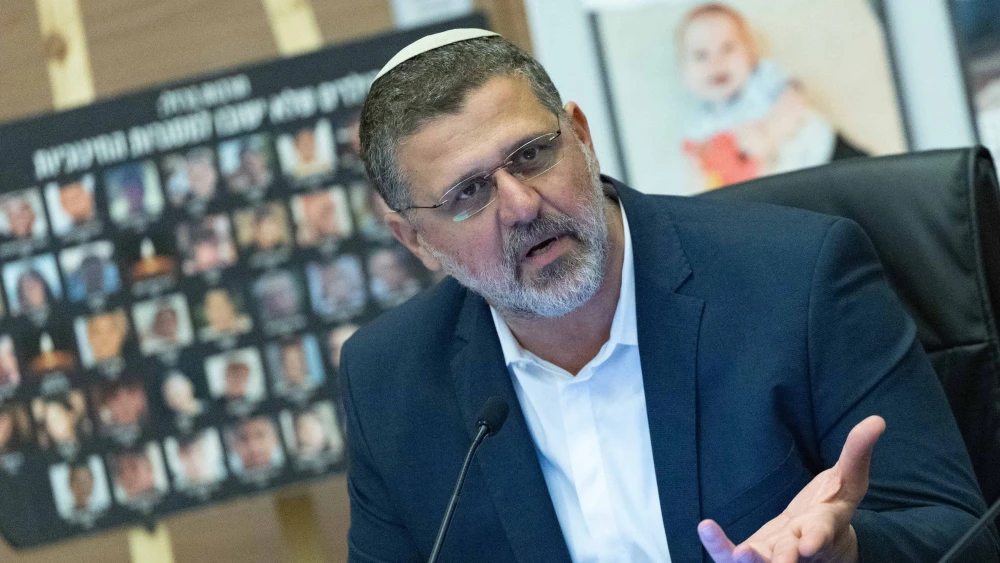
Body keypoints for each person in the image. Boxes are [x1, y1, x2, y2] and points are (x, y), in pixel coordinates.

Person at [340, 29, 999, 562]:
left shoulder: (798, 275)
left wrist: (851, 549)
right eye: (469, 193)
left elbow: (959, 532)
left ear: (581, 135)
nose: (520, 205)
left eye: (534, 154)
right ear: (414, 239)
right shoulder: (389, 380)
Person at [676, 4, 865, 190]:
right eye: (701, 55)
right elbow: (704, 172)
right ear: (684, 72)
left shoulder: (761, 78)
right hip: (795, 188)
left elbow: (795, 99)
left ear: (750, 53)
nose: (716, 62)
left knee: (875, 182)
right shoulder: (702, 126)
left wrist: (768, 133)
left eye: (727, 48)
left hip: (827, 153)